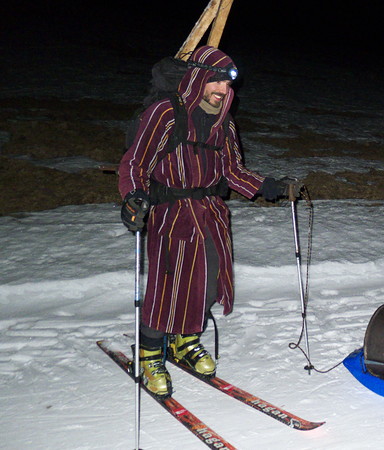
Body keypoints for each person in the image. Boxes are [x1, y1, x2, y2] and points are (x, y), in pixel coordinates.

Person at [118, 46, 295, 397]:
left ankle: (185, 341)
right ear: (197, 79)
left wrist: (267, 186)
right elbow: (135, 162)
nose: (223, 91)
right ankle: (151, 353)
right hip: (172, 213)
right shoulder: (165, 114)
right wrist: (133, 196)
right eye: (216, 83)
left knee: (208, 282)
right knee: (168, 286)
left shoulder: (224, 124)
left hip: (211, 214)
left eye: (228, 87)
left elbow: (232, 171)